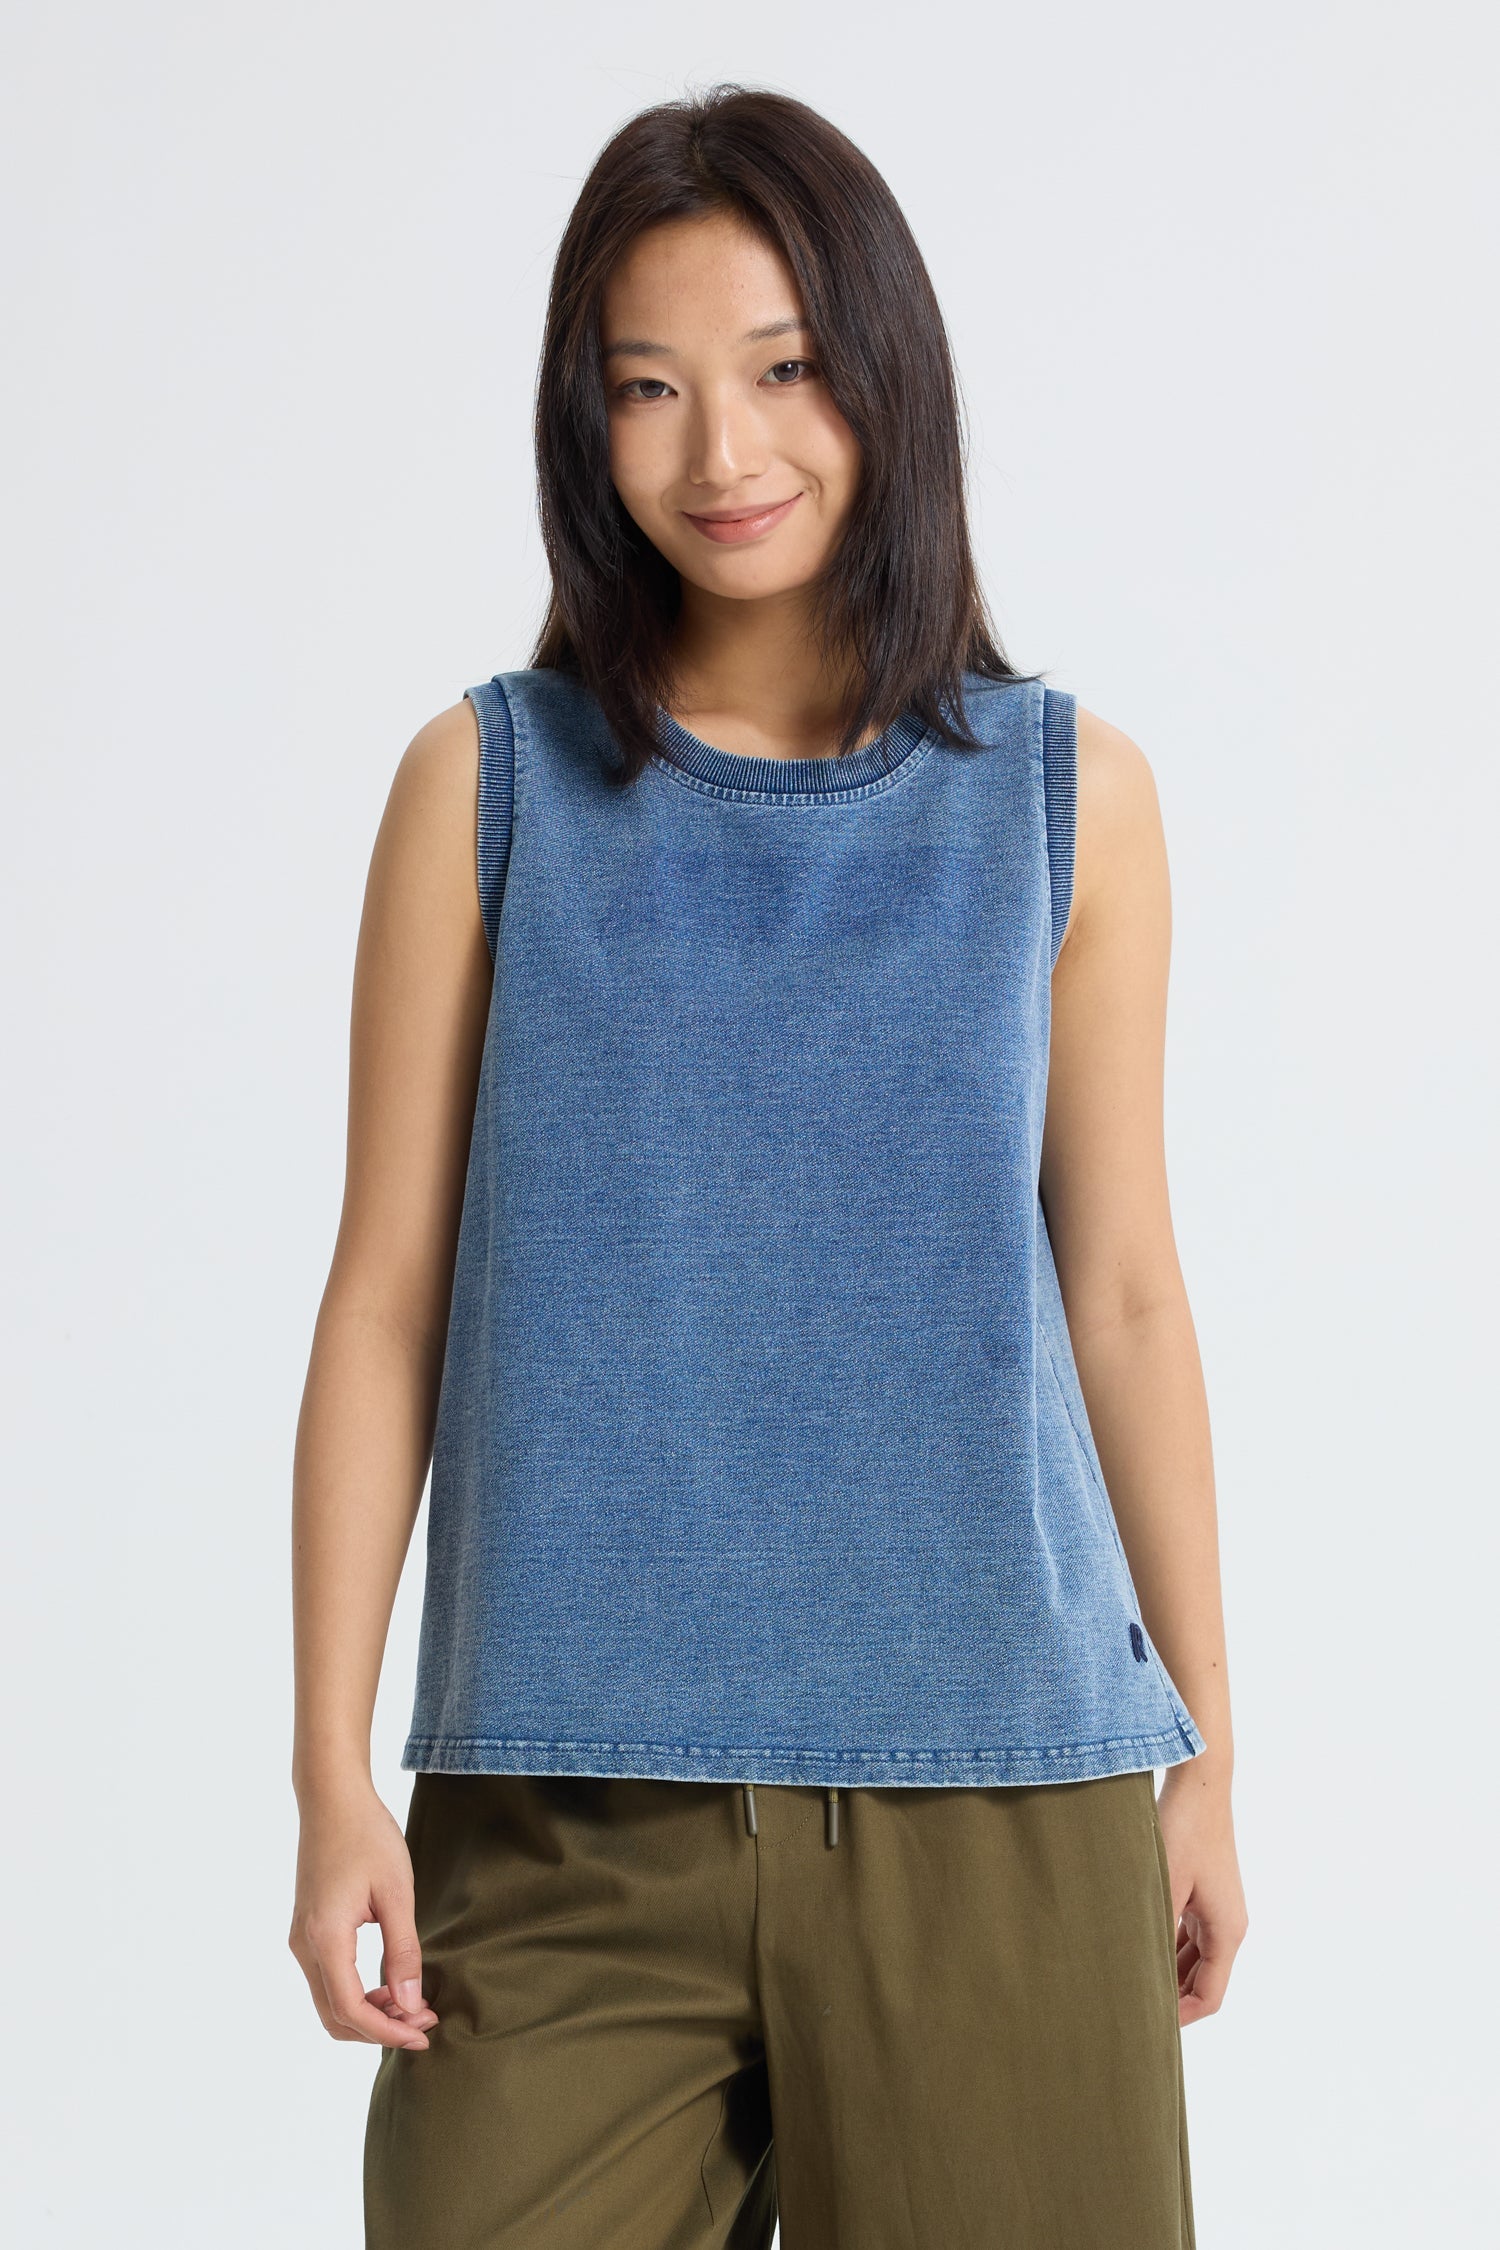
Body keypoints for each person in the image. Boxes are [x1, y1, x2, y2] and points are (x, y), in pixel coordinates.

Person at [289, 82, 1247, 2250]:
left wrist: (1206, 1751)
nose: (721, 450)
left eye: (786, 367)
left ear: (886, 370)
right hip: (559, 1811)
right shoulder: (487, 789)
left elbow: (1123, 1291)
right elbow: (384, 1297)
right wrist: (333, 1769)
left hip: (1005, 1793)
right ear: (587, 426)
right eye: (649, 387)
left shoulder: (1068, 802)